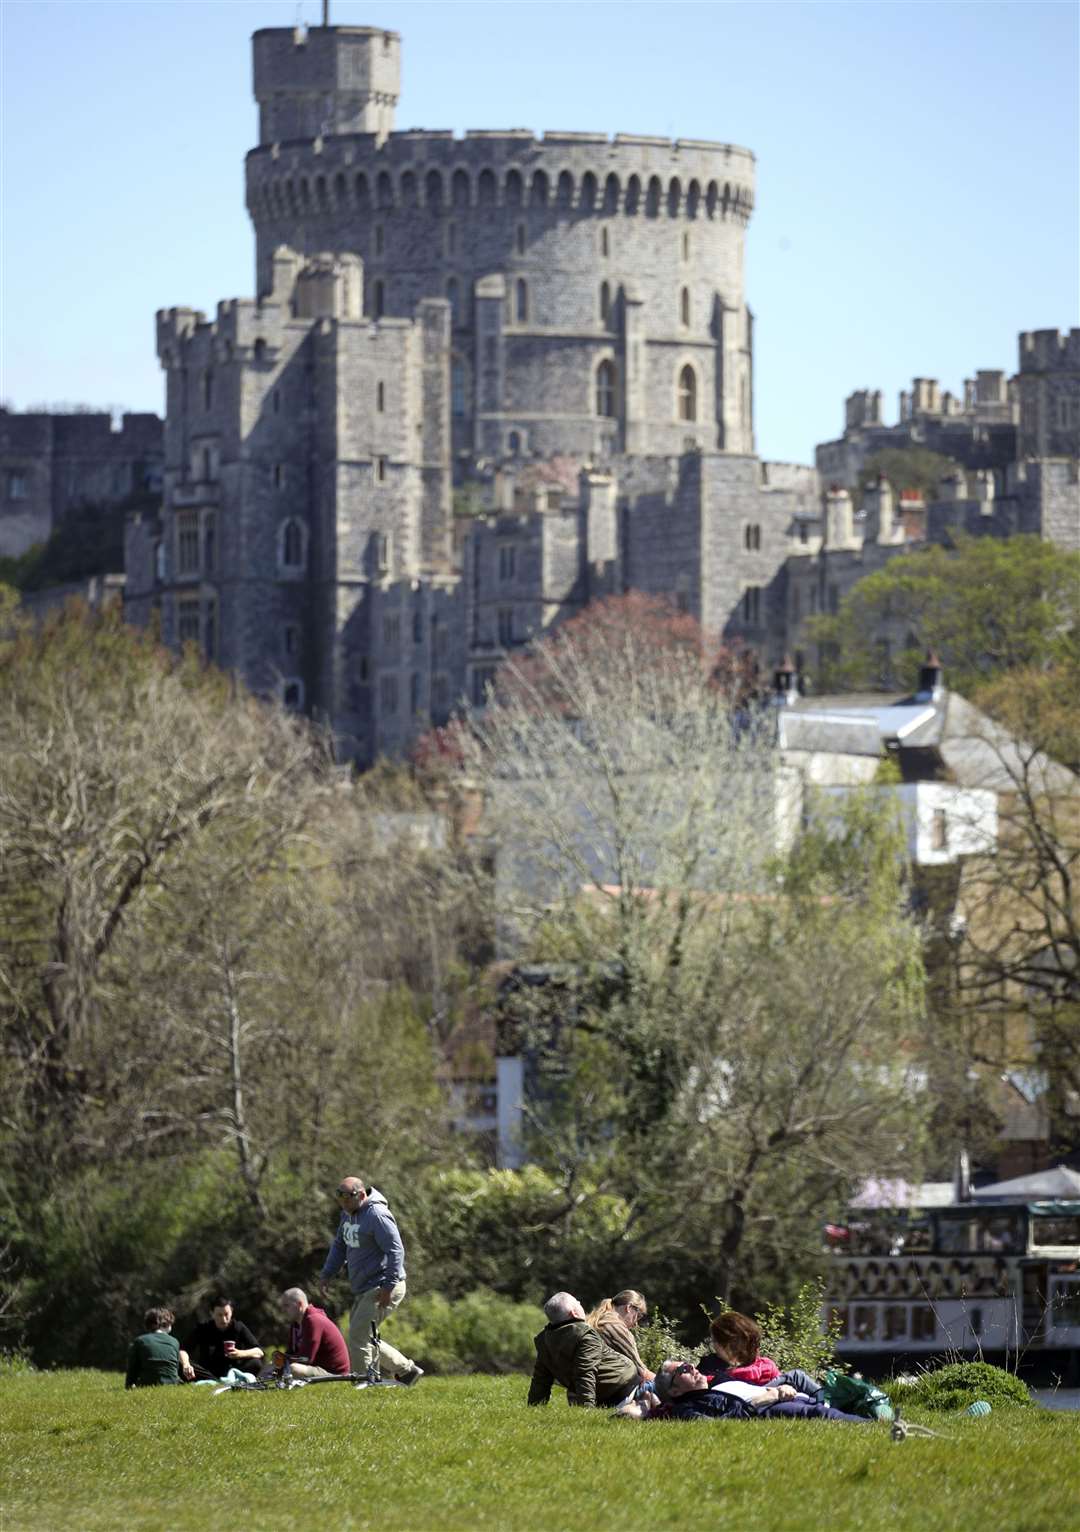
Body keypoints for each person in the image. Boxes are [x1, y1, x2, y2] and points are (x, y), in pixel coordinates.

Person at [317, 1175, 423, 1385]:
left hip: (383, 1285)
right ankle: (407, 1371)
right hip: (364, 1287)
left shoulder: (377, 1215)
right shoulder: (347, 1214)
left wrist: (388, 1287)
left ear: (361, 1195)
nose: (344, 1204)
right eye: (341, 1199)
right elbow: (339, 1246)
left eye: (348, 1199)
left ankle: (365, 1382)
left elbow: (395, 1251)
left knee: (358, 1334)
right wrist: (327, 1274)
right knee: (363, 1335)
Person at [648, 1359, 868, 1423]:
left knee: (857, 1400)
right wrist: (767, 1397)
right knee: (818, 1414)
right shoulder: (686, 1408)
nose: (693, 1367)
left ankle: (876, 1417)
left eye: (688, 1363)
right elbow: (720, 1424)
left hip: (785, 1397)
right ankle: (875, 1427)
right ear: (674, 1391)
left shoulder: (714, 1386)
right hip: (769, 1408)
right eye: (684, 1369)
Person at [527, 1291, 639, 1408]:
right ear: (574, 1313)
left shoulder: (545, 1340)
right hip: (626, 1390)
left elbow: (541, 1379)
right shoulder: (585, 1335)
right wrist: (586, 1408)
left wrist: (534, 1406)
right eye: (577, 1302)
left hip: (610, 1393)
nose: (580, 1302)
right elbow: (585, 1374)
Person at [699, 1310, 822, 1400]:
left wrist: (785, 1386)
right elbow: (707, 1387)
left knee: (795, 1379)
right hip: (743, 1398)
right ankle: (827, 1401)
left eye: (716, 1341)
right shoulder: (709, 1364)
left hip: (767, 1394)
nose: (714, 1345)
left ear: (729, 1342)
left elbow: (783, 1382)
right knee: (797, 1376)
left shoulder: (764, 1364)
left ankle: (826, 1402)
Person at [264, 1287, 351, 1379]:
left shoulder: (313, 1320)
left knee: (294, 1369)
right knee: (270, 1366)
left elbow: (306, 1359)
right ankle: (254, 1387)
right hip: (316, 1368)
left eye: (286, 1305)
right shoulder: (296, 1324)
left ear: (300, 1304)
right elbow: (291, 1352)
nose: (283, 1310)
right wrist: (279, 1362)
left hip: (334, 1373)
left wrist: (283, 1363)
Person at [184, 1293, 264, 1381]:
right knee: (182, 1365)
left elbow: (259, 1351)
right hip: (208, 1372)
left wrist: (239, 1354)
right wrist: (186, 1364)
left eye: (226, 1314)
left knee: (256, 1363)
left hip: (234, 1369)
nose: (223, 1319)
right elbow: (183, 1349)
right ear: (212, 1313)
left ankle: (231, 1378)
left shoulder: (238, 1327)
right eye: (219, 1315)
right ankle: (217, 1379)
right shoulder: (203, 1329)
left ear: (232, 1312)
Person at [586, 1289, 655, 1383]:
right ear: (629, 1308)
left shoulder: (595, 1321)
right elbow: (642, 1373)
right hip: (607, 1388)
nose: (636, 1324)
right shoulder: (616, 1328)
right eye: (638, 1316)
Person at [125, 1306, 195, 1388]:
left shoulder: (140, 1341)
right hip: (172, 1384)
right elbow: (174, 1369)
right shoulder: (174, 1342)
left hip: (146, 1385)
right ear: (167, 1324)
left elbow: (132, 1371)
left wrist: (129, 1385)